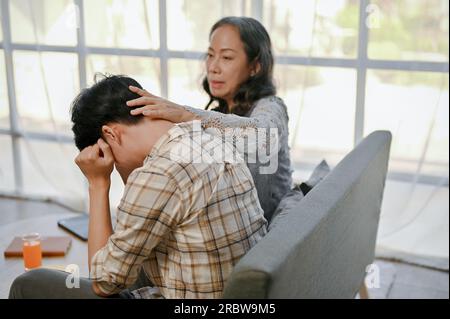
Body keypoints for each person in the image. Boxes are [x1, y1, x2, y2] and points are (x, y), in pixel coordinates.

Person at [8, 74, 267, 299]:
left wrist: (98, 183)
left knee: (29, 284)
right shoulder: (208, 136)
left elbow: (102, 282)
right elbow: (135, 231)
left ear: (110, 134)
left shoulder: (160, 171)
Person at [126, 16, 293, 222]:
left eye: (227, 58)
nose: (213, 67)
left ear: (255, 66)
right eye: (210, 55)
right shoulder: (217, 112)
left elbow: (261, 137)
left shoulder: (272, 106)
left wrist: (187, 115)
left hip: (262, 238)